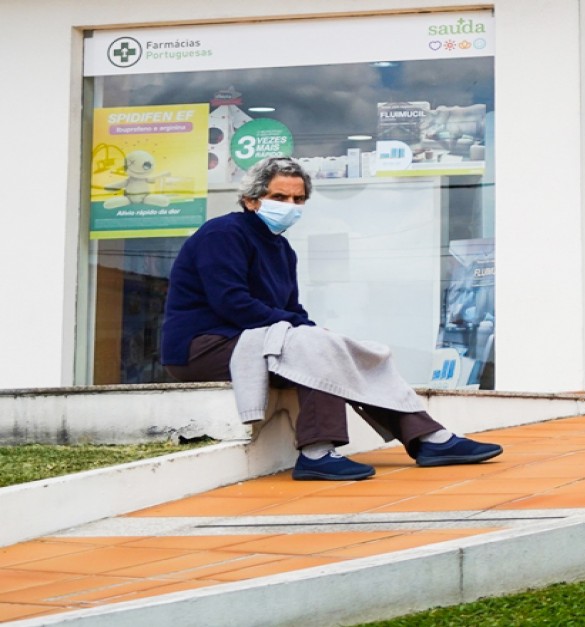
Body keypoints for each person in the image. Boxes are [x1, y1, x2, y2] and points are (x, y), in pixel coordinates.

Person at [161, 157, 502, 481]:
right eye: (279, 197)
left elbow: (292, 309)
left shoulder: (282, 249)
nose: (290, 205)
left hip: (253, 341)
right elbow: (232, 303)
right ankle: (316, 454)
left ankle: (428, 438)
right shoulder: (223, 234)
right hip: (203, 347)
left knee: (349, 349)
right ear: (251, 200)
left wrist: (312, 331)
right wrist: (304, 332)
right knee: (312, 346)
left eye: (298, 199)